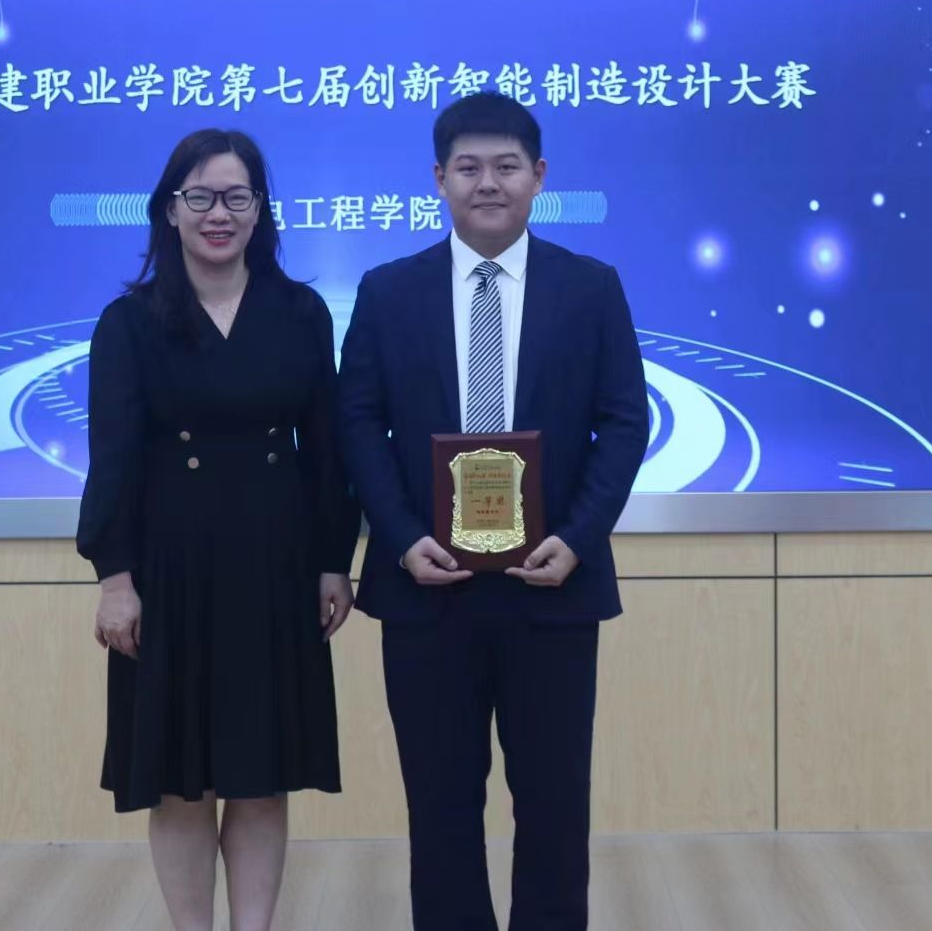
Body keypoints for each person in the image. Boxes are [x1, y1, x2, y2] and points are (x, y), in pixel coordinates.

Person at [339, 92, 650, 931]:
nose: (488, 183)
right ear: (438, 178)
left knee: (554, 803)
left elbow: (624, 422)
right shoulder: (388, 291)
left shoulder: (590, 289)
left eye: (507, 166)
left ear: (539, 177)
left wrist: (576, 539)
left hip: (552, 587)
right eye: (468, 167)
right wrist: (401, 538)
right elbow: (357, 423)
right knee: (439, 805)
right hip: (426, 590)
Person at [76, 128, 358, 931]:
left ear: (261, 210)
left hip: (276, 562)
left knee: (261, 776)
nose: (218, 213)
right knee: (181, 781)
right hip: (169, 571)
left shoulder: (300, 312)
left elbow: (327, 448)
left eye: (237, 196)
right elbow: (113, 458)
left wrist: (333, 562)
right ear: (170, 210)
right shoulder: (129, 322)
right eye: (199, 196)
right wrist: (114, 578)